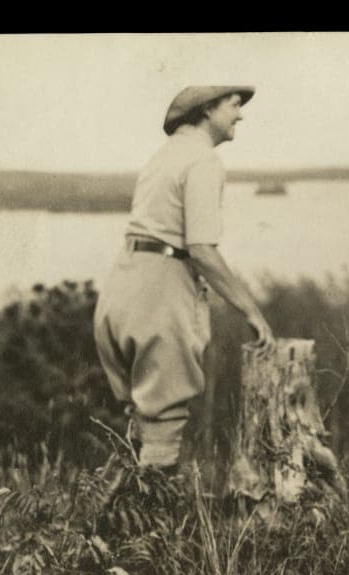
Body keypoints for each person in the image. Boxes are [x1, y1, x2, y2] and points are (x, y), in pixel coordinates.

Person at [94, 85, 275, 471]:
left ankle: (118, 524)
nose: (240, 115)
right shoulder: (203, 161)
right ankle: (150, 526)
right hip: (161, 292)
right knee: (162, 435)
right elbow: (203, 250)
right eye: (234, 105)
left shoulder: (164, 155)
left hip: (122, 286)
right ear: (207, 110)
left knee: (139, 427)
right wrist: (251, 311)